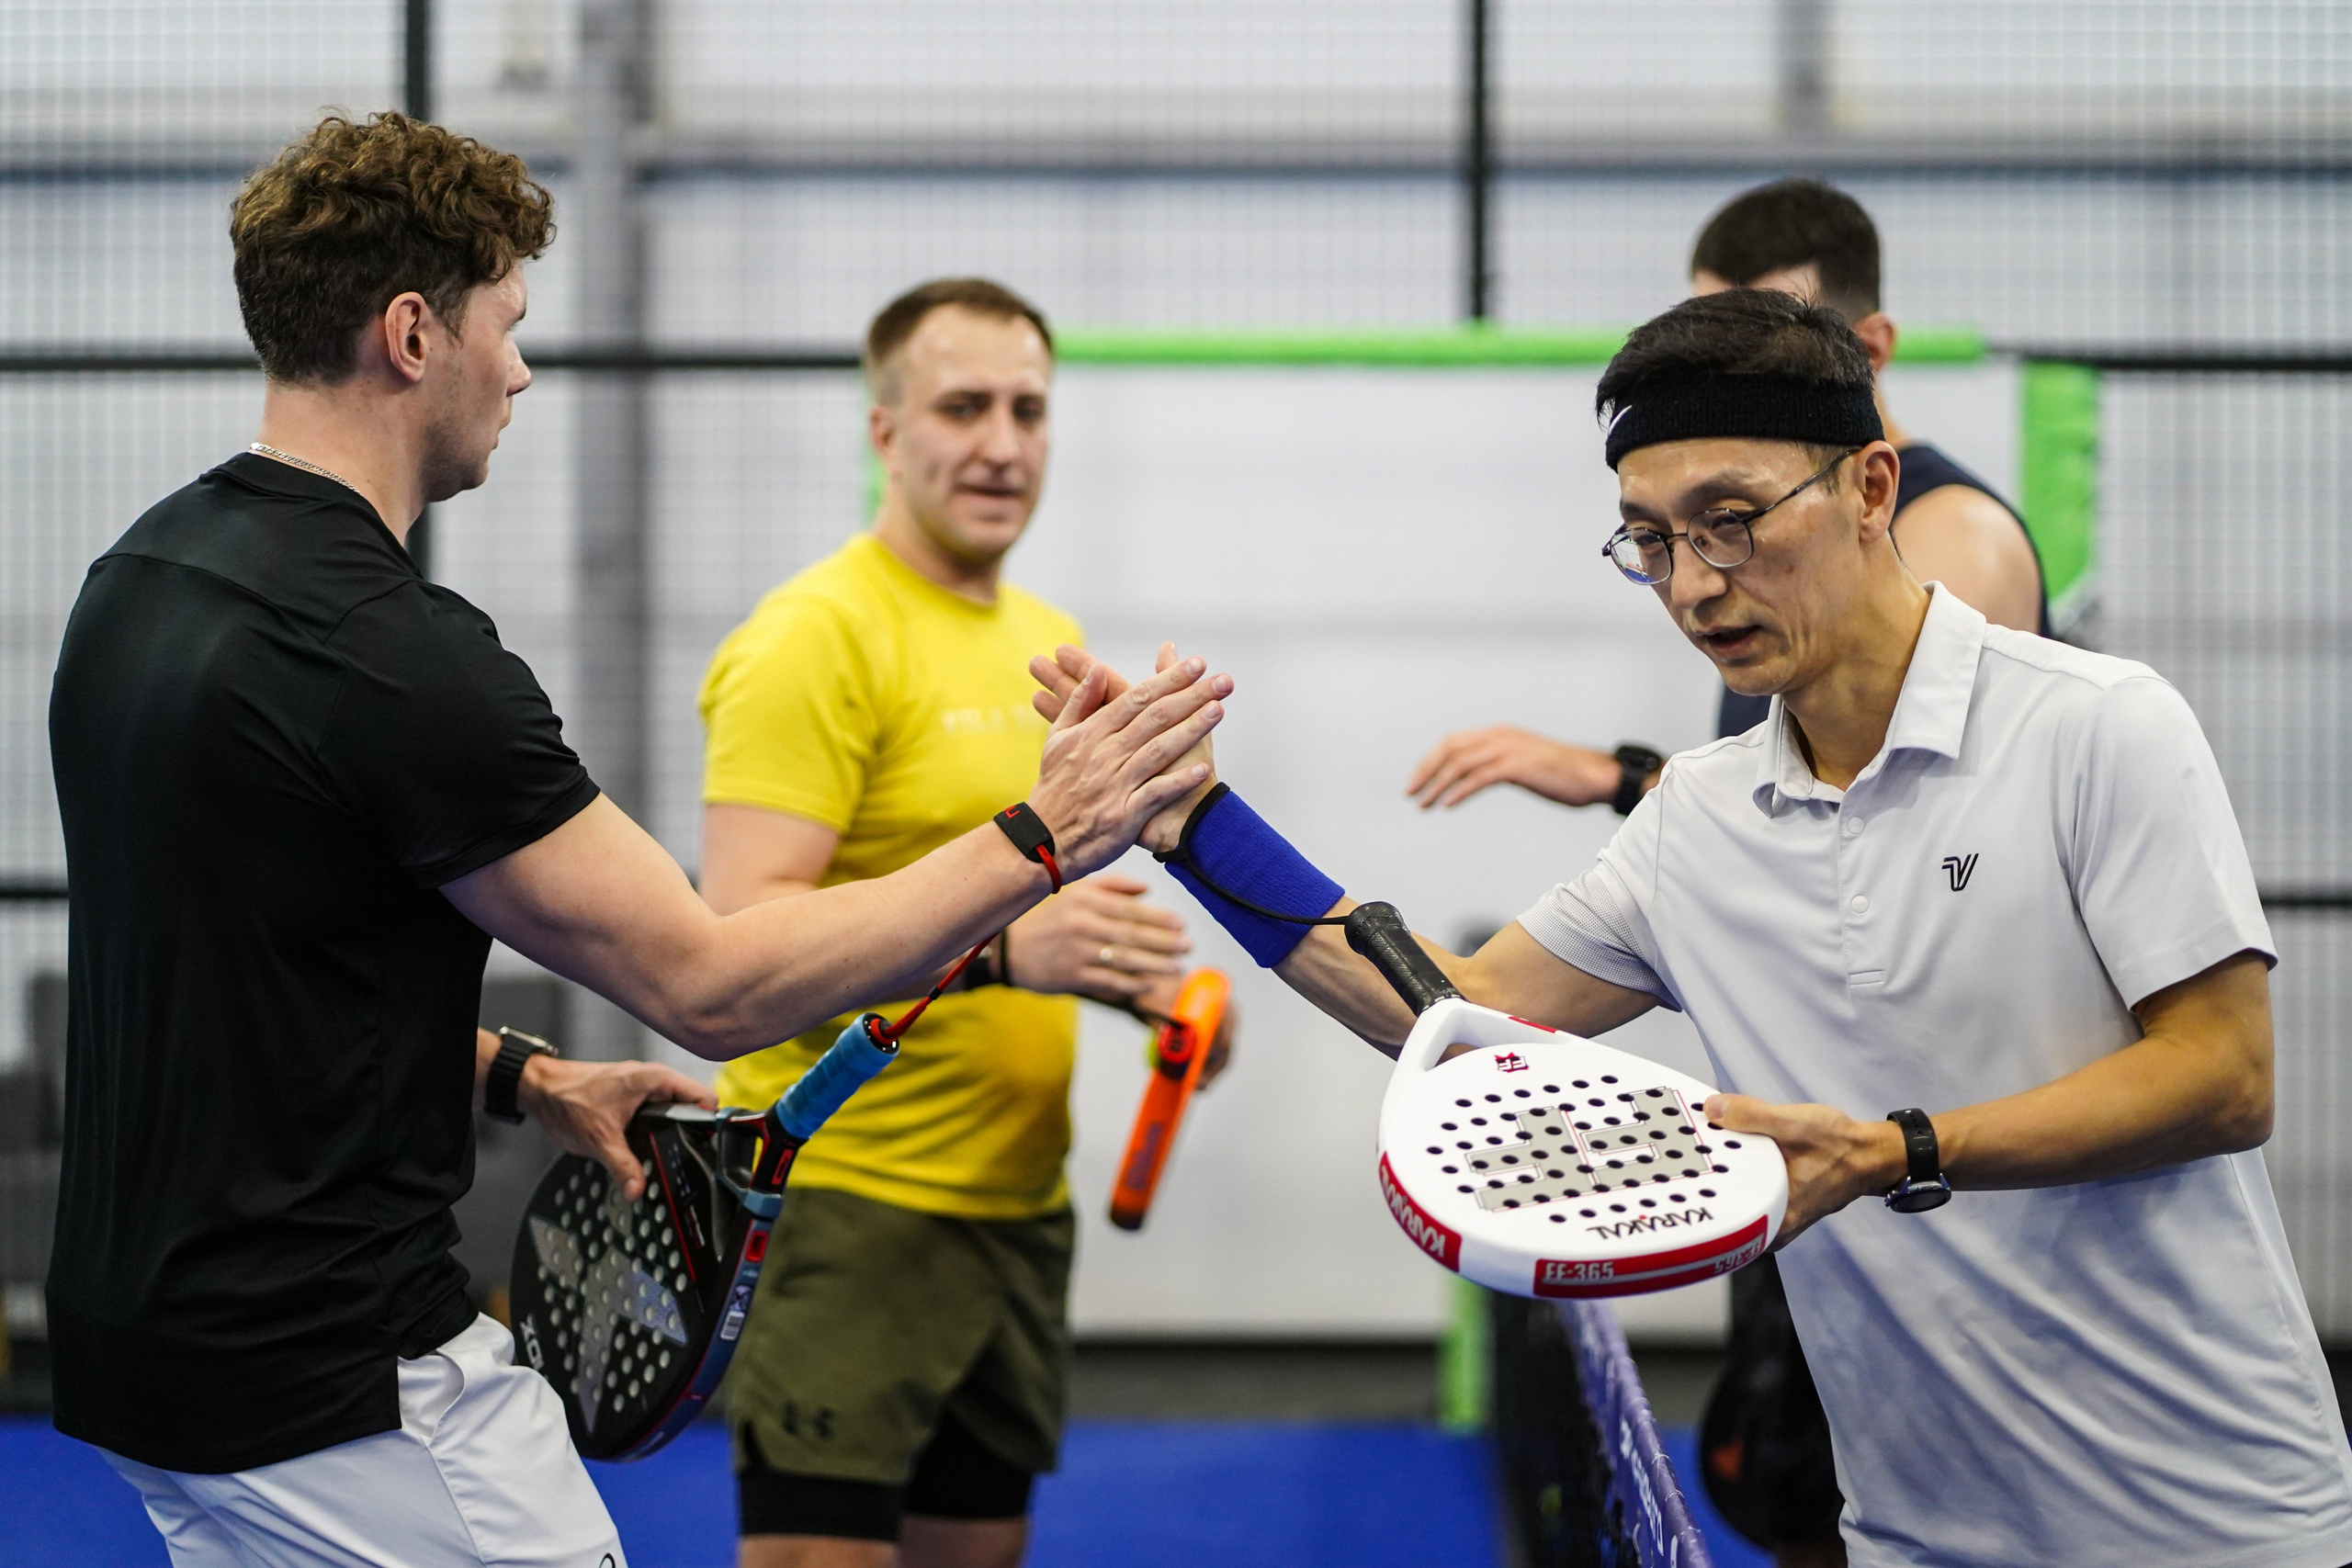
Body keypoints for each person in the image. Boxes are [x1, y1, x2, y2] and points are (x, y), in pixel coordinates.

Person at [45, 115, 1226, 1568]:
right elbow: (714, 980)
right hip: (341, 1381)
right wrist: (1052, 829)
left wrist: (522, 1073)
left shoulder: (136, 579)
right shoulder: (399, 653)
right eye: (507, 324)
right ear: (414, 333)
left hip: (137, 1358)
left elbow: (242, 967)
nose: (521, 369)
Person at [1035, 289, 2352, 1566]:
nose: (1694, 582)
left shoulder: (2098, 725)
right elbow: (1448, 1005)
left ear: (1872, 488)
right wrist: (1195, 817)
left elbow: (2224, 1075)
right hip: (1912, 1526)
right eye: (1651, 538)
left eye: (1731, 520)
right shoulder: (1700, 817)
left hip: (2211, 1514)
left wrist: (1895, 1149)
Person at [697, 276, 1213, 1568]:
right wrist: (1001, 955)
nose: (1002, 442)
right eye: (964, 405)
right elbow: (740, 939)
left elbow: (1032, 888)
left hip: (1014, 1213)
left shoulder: (1044, 638)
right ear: (884, 431)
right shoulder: (813, 637)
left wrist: (1140, 982)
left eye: (1029, 409)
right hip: (848, 1205)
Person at [1407, 176, 2045, 818]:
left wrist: (1625, 780)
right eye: (1713, 329)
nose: (1694, 588)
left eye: (1777, 335)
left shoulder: (1960, 534)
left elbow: (1862, 809)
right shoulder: (1711, 565)